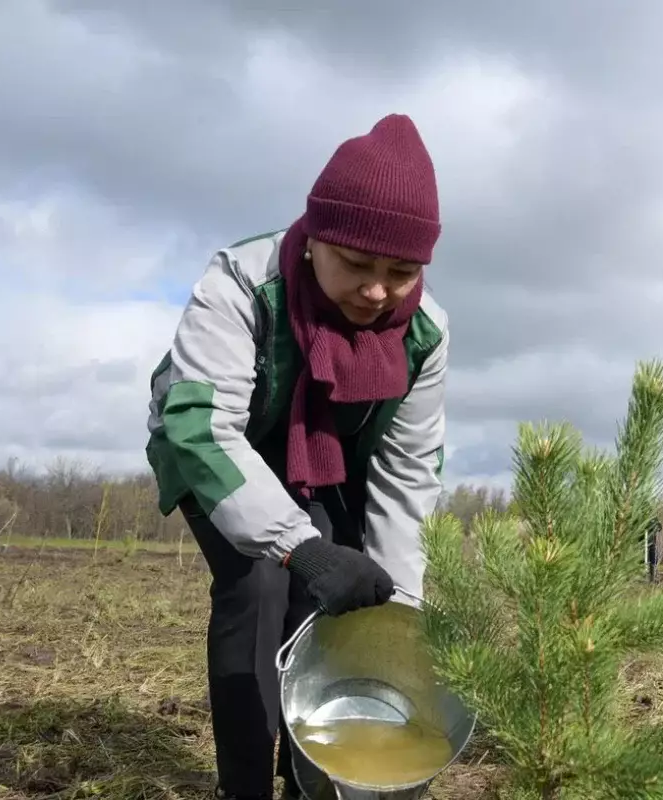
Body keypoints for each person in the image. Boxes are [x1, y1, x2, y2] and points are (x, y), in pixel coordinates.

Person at [144, 115, 449, 800]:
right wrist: (298, 547)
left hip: (326, 459)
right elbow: (201, 428)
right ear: (314, 241)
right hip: (217, 451)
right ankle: (245, 783)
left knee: (351, 595)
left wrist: (395, 617)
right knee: (258, 585)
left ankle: (316, 775)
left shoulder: (425, 333)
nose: (378, 291)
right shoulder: (241, 285)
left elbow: (404, 478)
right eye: (358, 265)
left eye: (401, 272)